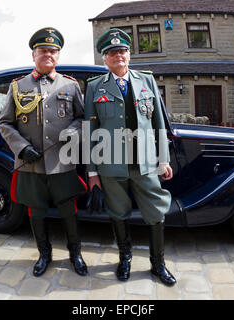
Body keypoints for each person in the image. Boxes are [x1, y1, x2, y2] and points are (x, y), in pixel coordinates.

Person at [84, 28, 176, 286]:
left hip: (146, 164)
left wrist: (163, 159)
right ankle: (124, 259)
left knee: (156, 213)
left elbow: (158, 123)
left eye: (122, 51)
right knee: (118, 212)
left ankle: (158, 264)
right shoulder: (94, 87)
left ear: (129, 55)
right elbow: (89, 131)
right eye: (112, 52)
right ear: (105, 59)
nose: (118, 56)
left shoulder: (147, 81)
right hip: (111, 165)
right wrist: (92, 172)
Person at [0, 27, 88, 277]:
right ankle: (44, 254)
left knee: (68, 210)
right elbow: (4, 123)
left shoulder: (70, 86)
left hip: (62, 162)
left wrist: (72, 132)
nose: (48, 54)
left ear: (57, 56)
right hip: (31, 164)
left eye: (53, 51)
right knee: (35, 211)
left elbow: (81, 118)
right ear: (33, 55)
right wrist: (21, 147)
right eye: (43, 50)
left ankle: (75, 254)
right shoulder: (18, 87)